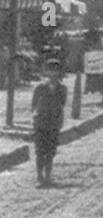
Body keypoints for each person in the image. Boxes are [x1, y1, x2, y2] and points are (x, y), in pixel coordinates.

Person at [31, 58, 68, 187]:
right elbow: (33, 105)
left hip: (54, 124)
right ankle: (39, 177)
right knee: (40, 151)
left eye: (55, 70)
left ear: (59, 72)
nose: (53, 74)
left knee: (51, 151)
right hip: (41, 123)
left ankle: (48, 176)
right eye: (50, 70)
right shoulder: (40, 88)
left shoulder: (62, 89)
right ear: (46, 72)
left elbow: (62, 104)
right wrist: (36, 118)